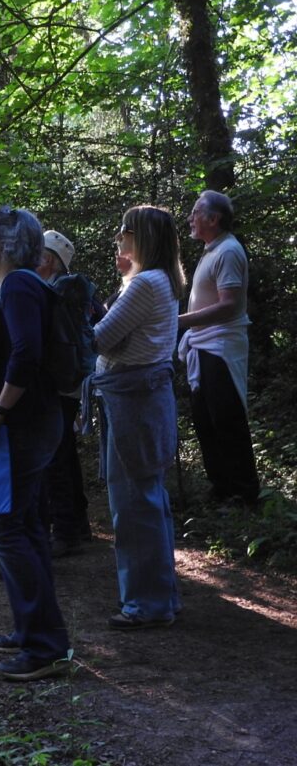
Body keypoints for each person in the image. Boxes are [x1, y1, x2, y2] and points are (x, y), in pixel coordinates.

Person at [0, 206, 69, 681]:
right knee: (24, 526)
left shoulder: (20, 284)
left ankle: (44, 646)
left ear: (6, 244)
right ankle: (33, 631)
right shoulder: (20, 285)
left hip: (23, 424)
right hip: (30, 423)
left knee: (2, 530)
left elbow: (27, 352)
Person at [83, 206, 185, 630]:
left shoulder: (145, 283)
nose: (118, 238)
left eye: (124, 231)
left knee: (133, 505)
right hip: (142, 398)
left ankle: (146, 605)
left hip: (133, 401)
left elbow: (100, 339)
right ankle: (160, 597)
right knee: (148, 498)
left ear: (139, 237)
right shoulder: (156, 280)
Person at [177, 190, 260, 506]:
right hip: (204, 345)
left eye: (196, 212)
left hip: (221, 346)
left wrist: (180, 321)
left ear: (214, 219)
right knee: (204, 418)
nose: (191, 218)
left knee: (226, 418)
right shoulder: (213, 250)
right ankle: (222, 486)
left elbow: (229, 306)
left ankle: (244, 491)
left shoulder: (228, 251)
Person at [36, 230, 104, 558]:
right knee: (66, 453)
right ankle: (79, 524)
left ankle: (64, 532)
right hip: (74, 381)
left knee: (55, 456)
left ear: (48, 259)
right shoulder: (77, 292)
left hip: (59, 384)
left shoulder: (55, 292)